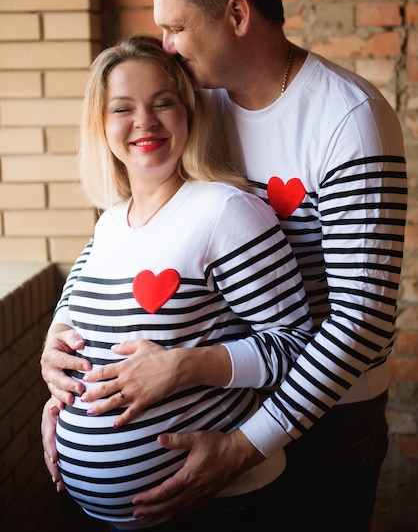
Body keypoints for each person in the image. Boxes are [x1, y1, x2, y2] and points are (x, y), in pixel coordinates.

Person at [41, 0, 408, 532]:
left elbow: (361, 324)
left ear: (236, 14)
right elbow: (130, 232)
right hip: (228, 401)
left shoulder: (348, 118)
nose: (166, 46)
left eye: (176, 27)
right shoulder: (197, 105)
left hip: (323, 418)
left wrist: (244, 446)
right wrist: (65, 344)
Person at [44, 34, 314, 531]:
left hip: (219, 506)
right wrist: (61, 387)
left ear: (188, 111)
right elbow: (74, 310)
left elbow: (297, 349)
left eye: (162, 102)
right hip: (95, 515)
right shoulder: (110, 224)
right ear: (101, 126)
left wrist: (181, 368)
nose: (144, 122)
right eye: (123, 108)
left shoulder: (225, 211)